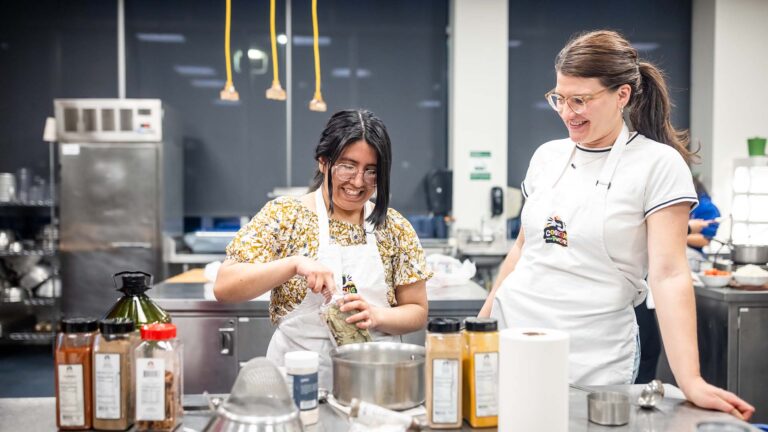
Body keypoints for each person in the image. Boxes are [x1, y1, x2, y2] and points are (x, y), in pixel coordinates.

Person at [479, 30, 753, 419]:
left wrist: (690, 379)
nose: (567, 112)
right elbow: (523, 250)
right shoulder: (546, 157)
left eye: (581, 100)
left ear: (621, 95)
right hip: (512, 339)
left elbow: (670, 274)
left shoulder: (657, 165)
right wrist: (479, 326)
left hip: (592, 354)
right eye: (559, 98)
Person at [214, 109, 430, 388]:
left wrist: (377, 315)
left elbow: (417, 310)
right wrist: (294, 264)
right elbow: (224, 286)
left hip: (373, 380)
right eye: (347, 166)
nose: (358, 181)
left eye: (371, 170)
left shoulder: (394, 227)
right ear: (323, 162)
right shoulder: (286, 216)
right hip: (298, 376)